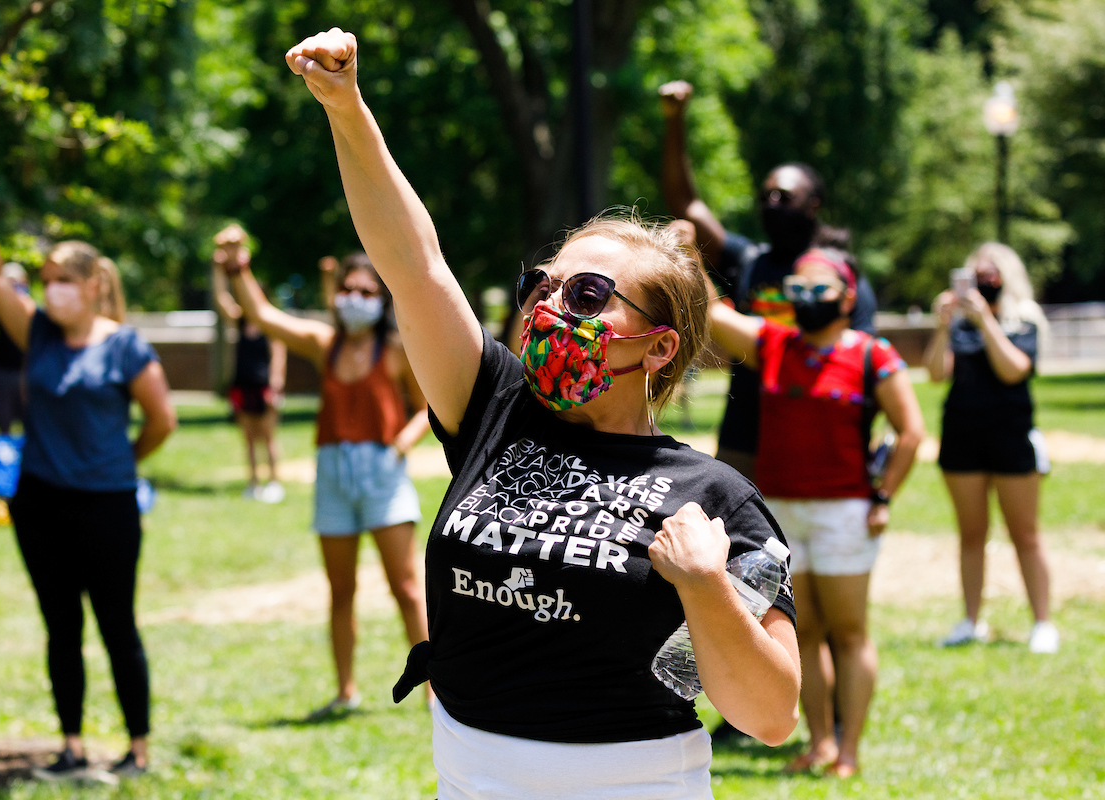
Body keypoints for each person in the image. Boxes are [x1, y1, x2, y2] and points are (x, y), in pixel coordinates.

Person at [283, 29, 800, 799]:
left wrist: (705, 587)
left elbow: (770, 714)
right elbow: (415, 266)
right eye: (546, 286)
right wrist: (345, 106)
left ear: (660, 350)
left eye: (588, 294)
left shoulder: (715, 497)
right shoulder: (495, 407)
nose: (554, 307)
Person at [0, 175, 178, 779]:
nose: (51, 290)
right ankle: (71, 746)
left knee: (117, 625)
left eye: (62, 279)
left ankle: (137, 750)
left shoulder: (124, 346)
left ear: (91, 285)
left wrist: (121, 461)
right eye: (46, 279)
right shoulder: (35, 333)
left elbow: (163, 420)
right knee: (61, 626)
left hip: (108, 504)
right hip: (39, 502)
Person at [706, 247, 924, 777]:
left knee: (848, 632)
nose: (805, 300)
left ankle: (849, 752)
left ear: (848, 296)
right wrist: (690, 254)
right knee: (801, 632)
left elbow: (911, 432)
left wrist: (883, 496)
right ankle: (820, 742)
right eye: (795, 290)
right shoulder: (775, 344)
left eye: (818, 289)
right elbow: (712, 314)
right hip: (780, 512)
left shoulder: (872, 354)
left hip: (845, 511)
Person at [215, 224, 432, 717]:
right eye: (349, 290)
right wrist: (238, 266)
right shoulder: (324, 342)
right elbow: (263, 316)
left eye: (367, 292)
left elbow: (426, 408)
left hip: (381, 470)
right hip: (334, 470)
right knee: (341, 591)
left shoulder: (396, 350)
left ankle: (433, 691)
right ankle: (345, 690)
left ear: (381, 299)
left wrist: (400, 444)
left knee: (405, 587)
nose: (356, 298)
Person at [659, 79, 879, 480]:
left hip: (812, 437)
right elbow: (686, 203)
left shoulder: (840, 277)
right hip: (744, 434)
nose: (771, 204)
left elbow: (865, 363)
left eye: (783, 196)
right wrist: (676, 120)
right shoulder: (750, 262)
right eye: (765, 197)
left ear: (813, 205)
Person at [924, 243, 1058, 654]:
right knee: (971, 533)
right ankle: (970, 620)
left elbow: (1014, 370)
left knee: (1025, 534)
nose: (983, 283)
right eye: (975, 274)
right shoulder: (959, 321)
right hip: (962, 435)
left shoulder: (1025, 317)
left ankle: (1042, 623)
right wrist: (945, 325)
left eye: (990, 275)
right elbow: (933, 373)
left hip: (1011, 436)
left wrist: (986, 321)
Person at [212, 263, 287, 502]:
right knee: (249, 438)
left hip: (264, 387)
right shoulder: (240, 321)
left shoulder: (270, 325)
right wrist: (218, 268)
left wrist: (275, 385)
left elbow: (279, 355)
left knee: (268, 436)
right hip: (242, 386)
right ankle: (254, 483)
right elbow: (221, 298)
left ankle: (274, 482)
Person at [0, 263, 30, 434]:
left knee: (29, 419)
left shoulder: (30, 307)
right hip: (3, 371)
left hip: (25, 371)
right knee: (4, 421)